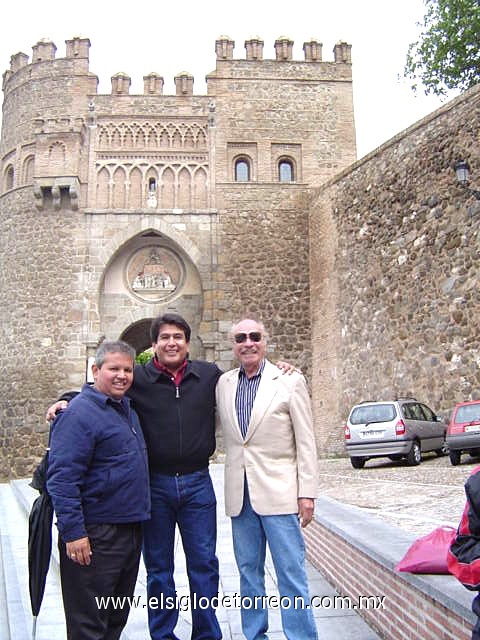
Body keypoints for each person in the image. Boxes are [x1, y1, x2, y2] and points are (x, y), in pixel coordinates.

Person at [47, 313, 295, 640]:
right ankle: (163, 634)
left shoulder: (210, 377)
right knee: (159, 569)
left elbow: (248, 378)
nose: (172, 342)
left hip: (197, 485)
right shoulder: (139, 379)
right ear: (154, 345)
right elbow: (103, 391)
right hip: (156, 486)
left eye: (178, 336)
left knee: (204, 564)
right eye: (164, 337)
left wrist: (282, 369)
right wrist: (67, 400)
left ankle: (206, 633)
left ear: (188, 343)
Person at [215, 317, 319, 640]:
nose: (248, 342)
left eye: (254, 336)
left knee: (291, 573)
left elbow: (306, 442)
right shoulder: (224, 385)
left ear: (265, 340)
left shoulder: (289, 381)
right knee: (248, 574)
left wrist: (308, 493)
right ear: (233, 345)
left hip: (281, 493)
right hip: (240, 496)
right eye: (241, 338)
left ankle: (301, 636)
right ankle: (255, 635)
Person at [46, 340, 150, 640]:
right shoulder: (78, 415)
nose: (122, 375)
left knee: (114, 618)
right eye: (113, 368)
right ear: (95, 370)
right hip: (95, 536)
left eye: (127, 370)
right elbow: (62, 479)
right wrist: (74, 533)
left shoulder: (125, 409)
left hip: (128, 533)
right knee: (88, 625)